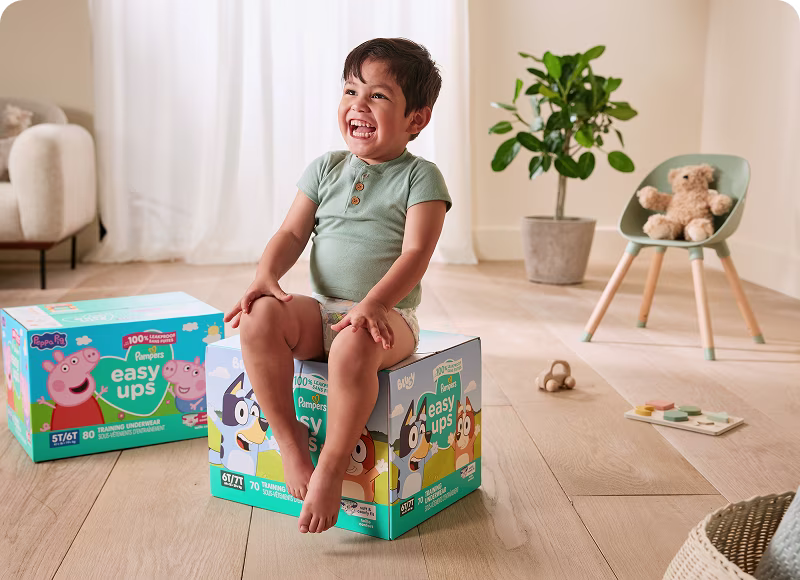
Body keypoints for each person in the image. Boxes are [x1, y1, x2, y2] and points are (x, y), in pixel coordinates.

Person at [224, 37, 451, 534]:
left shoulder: (421, 178)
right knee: (259, 317)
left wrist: (374, 303)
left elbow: (416, 254)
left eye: (378, 95)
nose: (358, 105)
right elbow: (291, 233)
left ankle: (331, 466)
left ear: (416, 119)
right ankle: (290, 440)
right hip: (324, 310)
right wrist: (265, 276)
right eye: (351, 91)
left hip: (389, 317)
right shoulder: (326, 168)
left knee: (354, 342)